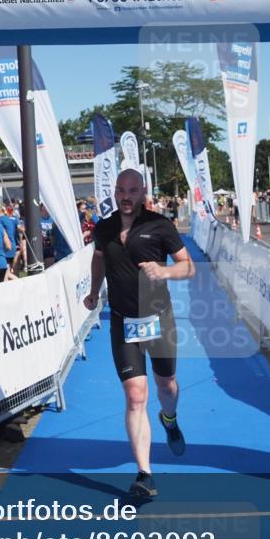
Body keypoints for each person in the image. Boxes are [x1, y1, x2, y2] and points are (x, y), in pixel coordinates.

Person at [83, 169, 195, 499]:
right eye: (121, 190)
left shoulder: (159, 225)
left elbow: (188, 266)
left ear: (143, 191)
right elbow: (98, 260)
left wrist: (166, 270)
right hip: (122, 320)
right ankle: (145, 474)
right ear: (114, 192)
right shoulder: (104, 228)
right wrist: (93, 292)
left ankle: (170, 418)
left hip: (159, 318)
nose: (126, 195)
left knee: (167, 385)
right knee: (134, 396)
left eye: (133, 190)